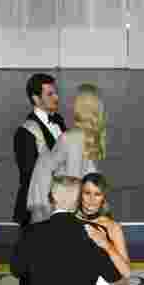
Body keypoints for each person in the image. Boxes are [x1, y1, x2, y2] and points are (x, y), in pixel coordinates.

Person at [26, 83, 105, 225]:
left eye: (74, 102)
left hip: (62, 209)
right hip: (81, 210)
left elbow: (45, 170)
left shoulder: (68, 138)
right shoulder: (96, 140)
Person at [13, 73, 64, 227]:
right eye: (50, 94)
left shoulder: (59, 121)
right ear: (36, 99)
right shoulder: (25, 132)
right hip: (37, 212)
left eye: (56, 93)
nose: (56, 97)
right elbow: (29, 175)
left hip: (58, 207)